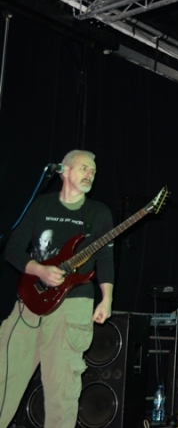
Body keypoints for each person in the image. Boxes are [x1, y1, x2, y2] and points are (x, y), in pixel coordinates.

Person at [0, 150, 114, 428]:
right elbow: (13, 249)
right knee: (4, 377)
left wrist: (106, 299)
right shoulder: (41, 204)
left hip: (73, 306)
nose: (90, 174)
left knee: (62, 391)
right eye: (84, 168)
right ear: (64, 171)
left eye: (93, 171)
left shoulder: (98, 212)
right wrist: (39, 270)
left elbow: (105, 259)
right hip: (29, 303)